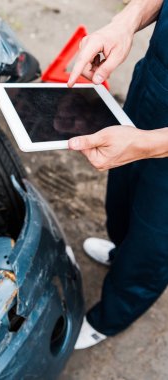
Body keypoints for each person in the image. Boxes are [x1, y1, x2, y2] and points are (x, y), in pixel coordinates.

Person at [67, 0, 168, 349]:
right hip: (155, 83)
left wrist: (151, 143)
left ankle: (113, 316)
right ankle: (119, 253)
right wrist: (125, 22)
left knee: (154, 240)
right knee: (122, 196)